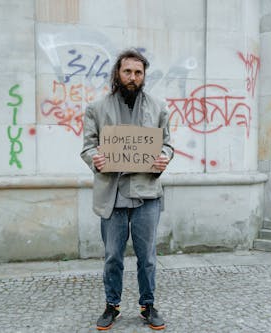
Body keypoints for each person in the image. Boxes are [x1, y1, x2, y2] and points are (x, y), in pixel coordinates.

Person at [81, 49, 174, 331]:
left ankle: (148, 305)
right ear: (117, 74)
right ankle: (112, 306)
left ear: (144, 76)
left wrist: (164, 157)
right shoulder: (96, 109)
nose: (133, 77)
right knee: (112, 257)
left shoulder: (159, 107)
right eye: (127, 72)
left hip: (147, 193)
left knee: (147, 257)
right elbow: (87, 147)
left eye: (138, 73)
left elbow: (167, 144)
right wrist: (94, 159)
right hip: (112, 194)